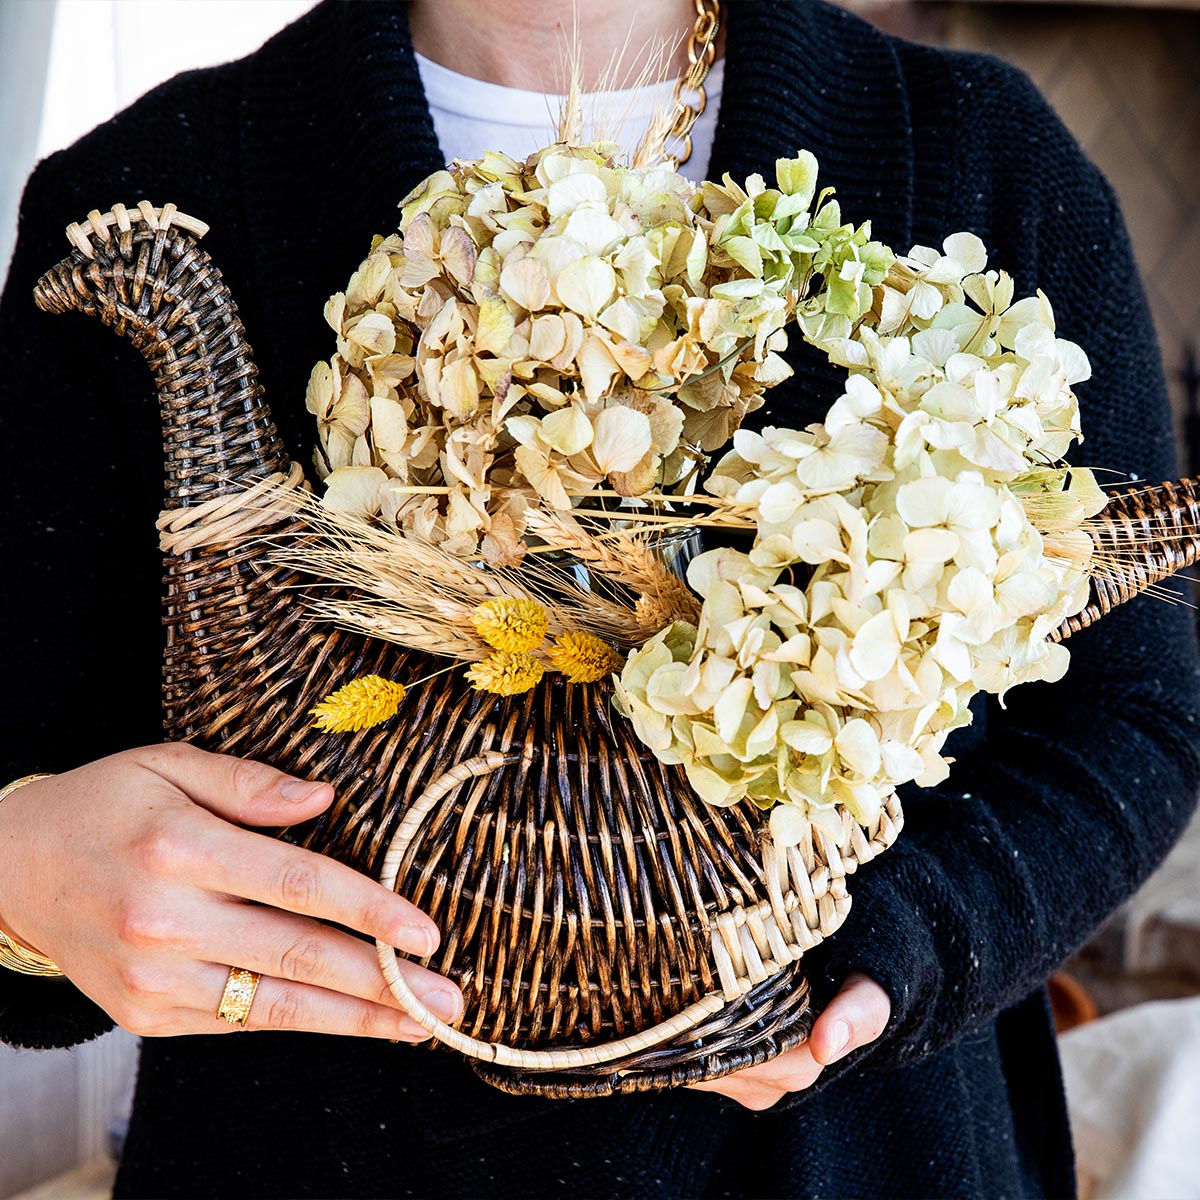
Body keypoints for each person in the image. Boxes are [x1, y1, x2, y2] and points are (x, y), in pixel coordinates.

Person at [0, 1, 1196, 1196]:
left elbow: (1138, 713)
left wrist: (880, 953)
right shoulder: (135, 194)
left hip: (862, 1161)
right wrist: (27, 880)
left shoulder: (985, 151)